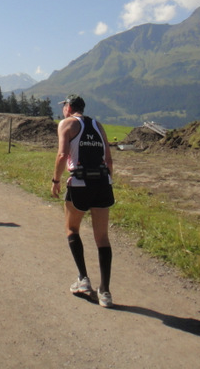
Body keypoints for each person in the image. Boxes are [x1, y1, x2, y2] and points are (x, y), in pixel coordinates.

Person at [51, 94, 115, 308]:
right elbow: (108, 158)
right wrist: (109, 181)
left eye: (64, 107)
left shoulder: (66, 124)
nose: (63, 110)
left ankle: (83, 279)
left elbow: (62, 155)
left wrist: (56, 180)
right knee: (102, 238)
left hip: (80, 183)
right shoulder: (97, 125)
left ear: (68, 107)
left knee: (71, 229)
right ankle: (105, 291)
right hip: (102, 183)